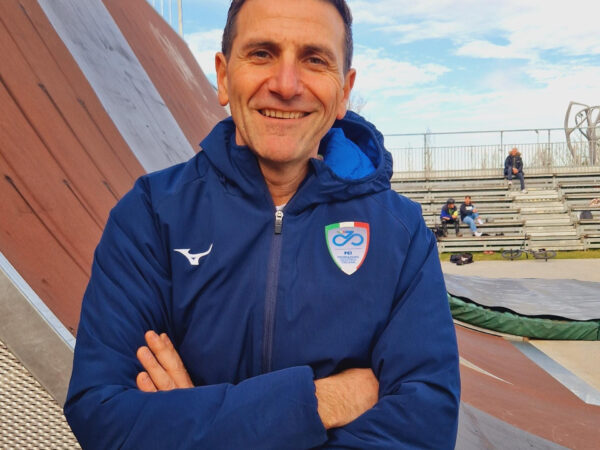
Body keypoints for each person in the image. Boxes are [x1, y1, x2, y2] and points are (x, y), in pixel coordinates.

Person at [64, 0, 460, 448]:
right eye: (262, 54)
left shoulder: (401, 235)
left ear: (344, 91)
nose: (286, 85)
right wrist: (316, 403)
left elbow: (424, 430)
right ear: (223, 76)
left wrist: (196, 422)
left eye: (314, 59)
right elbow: (103, 416)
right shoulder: (150, 216)